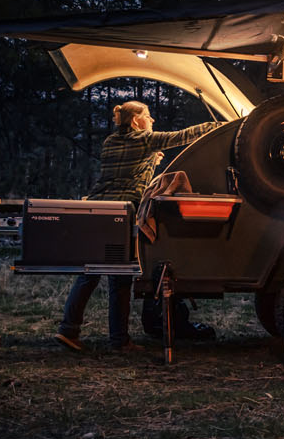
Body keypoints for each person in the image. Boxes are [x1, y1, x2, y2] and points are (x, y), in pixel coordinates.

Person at [55, 100, 222, 351]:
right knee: (120, 278)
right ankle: (119, 341)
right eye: (148, 115)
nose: (152, 120)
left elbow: (126, 171)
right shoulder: (144, 139)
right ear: (136, 121)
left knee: (89, 272)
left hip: (99, 208)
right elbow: (182, 136)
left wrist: (151, 160)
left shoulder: (110, 141)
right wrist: (219, 126)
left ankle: (68, 330)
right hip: (121, 212)